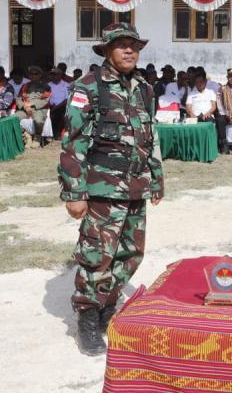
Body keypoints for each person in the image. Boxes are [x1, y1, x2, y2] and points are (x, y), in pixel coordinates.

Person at [58, 22, 163, 356]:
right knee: (97, 256)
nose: (130, 50)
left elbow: (151, 137)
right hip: (102, 189)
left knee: (131, 253)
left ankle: (107, 308)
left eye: (134, 44)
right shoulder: (88, 87)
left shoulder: (144, 88)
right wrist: (74, 193)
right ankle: (87, 319)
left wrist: (156, 179)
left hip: (136, 187)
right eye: (121, 45)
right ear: (106, 51)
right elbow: (73, 143)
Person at [15, 66, 52, 148]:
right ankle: (26, 135)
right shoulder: (25, 86)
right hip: (25, 108)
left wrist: (31, 104)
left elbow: (45, 100)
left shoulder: (46, 87)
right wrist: (24, 106)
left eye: (36, 74)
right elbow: (18, 98)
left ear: (40, 75)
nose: (33, 76)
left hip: (39, 108)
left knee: (38, 121)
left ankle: (37, 138)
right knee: (14, 118)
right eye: (31, 74)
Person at [48, 68, 71, 138]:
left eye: (55, 74)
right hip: (50, 106)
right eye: (52, 74)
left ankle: (57, 133)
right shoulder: (48, 85)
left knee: (59, 114)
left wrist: (54, 108)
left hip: (62, 107)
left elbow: (66, 100)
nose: (53, 76)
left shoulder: (66, 85)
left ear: (60, 75)